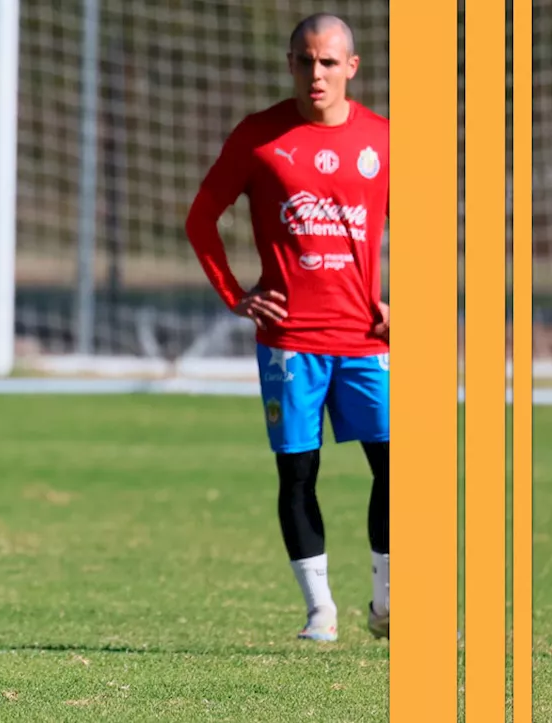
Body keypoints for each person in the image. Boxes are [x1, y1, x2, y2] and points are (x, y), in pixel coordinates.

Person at [183, 13, 390, 643]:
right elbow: (201, 218)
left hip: (366, 342)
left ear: (351, 67)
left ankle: (387, 600)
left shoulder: (385, 139)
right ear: (290, 64)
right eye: (305, 60)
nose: (316, 73)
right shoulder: (259, 137)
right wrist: (235, 295)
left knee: (397, 468)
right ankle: (319, 610)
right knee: (298, 475)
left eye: (329, 61)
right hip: (289, 344)